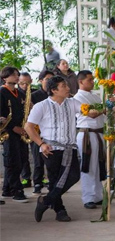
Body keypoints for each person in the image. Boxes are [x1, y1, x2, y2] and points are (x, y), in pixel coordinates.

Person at [25, 76, 94, 222]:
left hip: (70, 148)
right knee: (55, 180)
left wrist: (108, 106)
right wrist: (41, 144)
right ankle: (60, 211)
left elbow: (89, 112)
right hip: (50, 148)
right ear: (54, 90)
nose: (68, 88)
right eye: (64, 86)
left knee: (74, 176)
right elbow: (28, 127)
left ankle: (46, 201)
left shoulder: (73, 103)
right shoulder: (41, 106)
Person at [73, 70, 106, 209]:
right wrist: (105, 108)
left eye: (93, 80)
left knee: (99, 165)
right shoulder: (77, 98)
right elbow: (91, 114)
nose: (93, 82)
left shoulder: (96, 97)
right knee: (88, 166)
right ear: (81, 82)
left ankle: (98, 195)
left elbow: (102, 113)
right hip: (86, 133)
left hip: (99, 133)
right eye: (90, 80)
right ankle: (88, 197)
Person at [1, 67, 29, 203]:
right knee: (13, 161)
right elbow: (2, 115)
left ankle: (6, 188)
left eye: (17, 74)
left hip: (21, 130)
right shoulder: (2, 92)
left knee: (22, 158)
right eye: (13, 75)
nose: (16, 77)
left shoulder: (20, 93)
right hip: (8, 131)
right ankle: (17, 191)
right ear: (5, 78)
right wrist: (13, 127)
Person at [30, 70, 55, 194]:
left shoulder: (55, 95)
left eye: (52, 79)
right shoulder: (34, 95)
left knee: (51, 160)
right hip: (37, 132)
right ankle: (37, 183)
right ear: (41, 81)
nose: (50, 81)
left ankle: (52, 183)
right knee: (38, 160)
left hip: (51, 132)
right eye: (47, 79)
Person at [18, 72, 35, 188]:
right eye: (22, 83)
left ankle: (40, 177)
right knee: (23, 155)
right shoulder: (15, 93)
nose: (25, 85)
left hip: (34, 126)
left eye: (27, 83)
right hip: (20, 127)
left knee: (37, 154)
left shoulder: (35, 93)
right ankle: (25, 178)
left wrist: (33, 106)